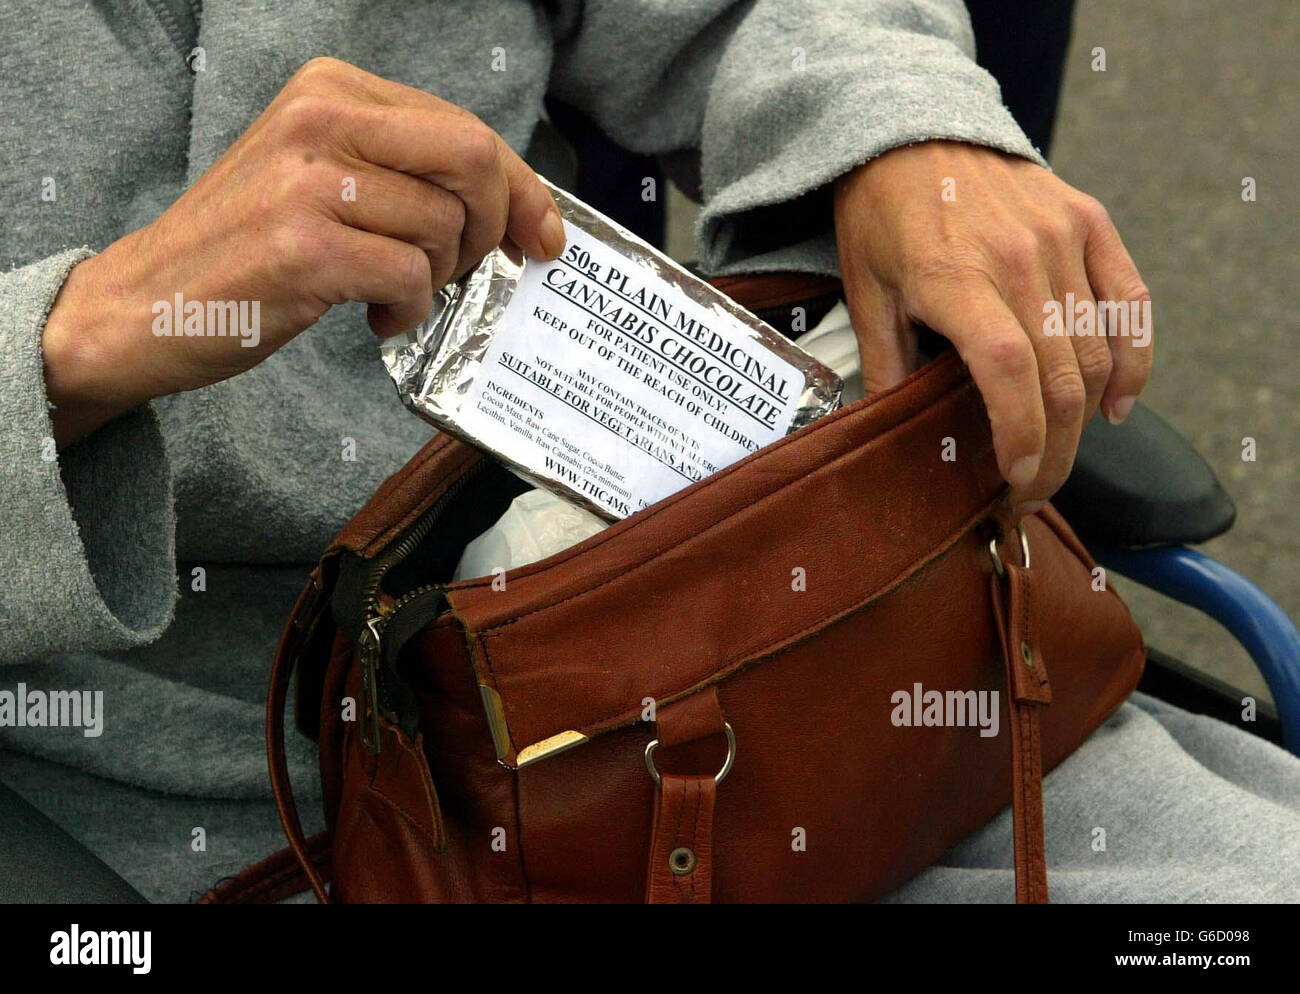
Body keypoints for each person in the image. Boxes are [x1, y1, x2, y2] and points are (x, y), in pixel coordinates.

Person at [1, 0, 1295, 902]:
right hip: (170, 799)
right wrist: (79, 339)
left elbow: (741, 13)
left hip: (717, 645)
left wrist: (903, 128)